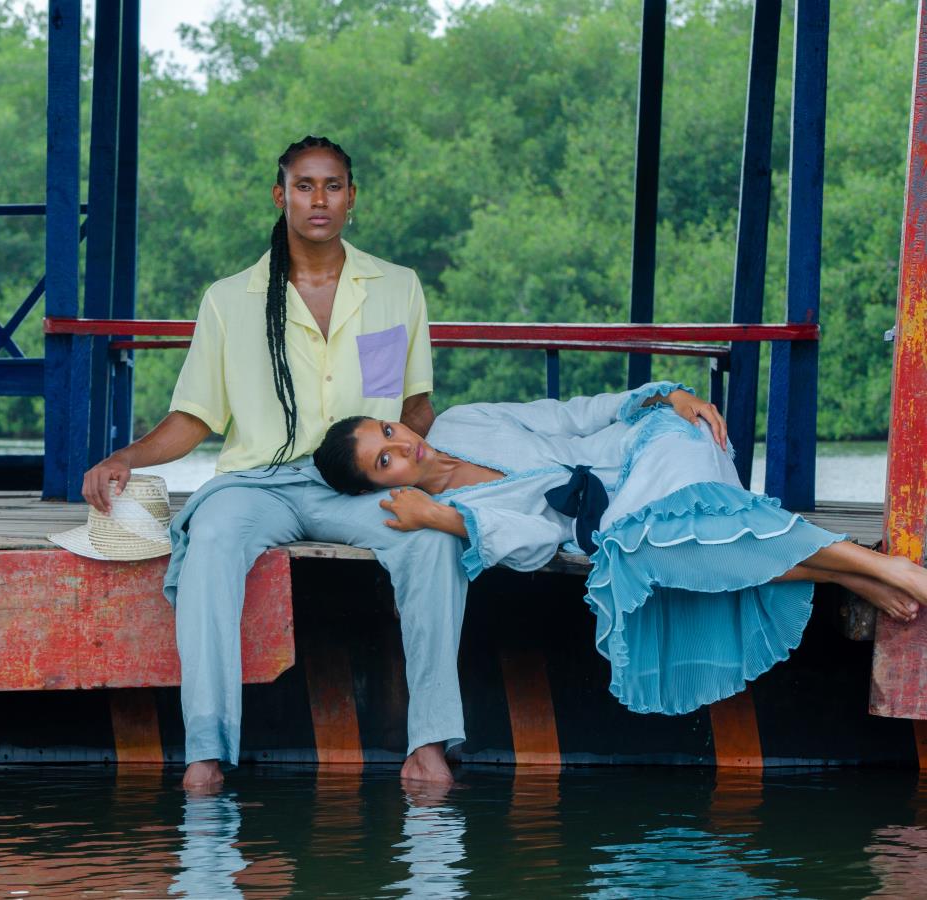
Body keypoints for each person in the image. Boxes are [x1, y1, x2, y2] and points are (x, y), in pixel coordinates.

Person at [82, 136, 466, 790]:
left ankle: (429, 744)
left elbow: (415, 406)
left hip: (359, 486)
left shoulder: (397, 288)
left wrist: (414, 468)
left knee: (432, 540)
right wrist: (125, 456)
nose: (319, 199)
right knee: (210, 540)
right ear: (279, 196)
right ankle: (206, 753)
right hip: (259, 485)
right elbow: (195, 417)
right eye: (304, 185)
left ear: (352, 197)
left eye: (333, 186)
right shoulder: (230, 299)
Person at [313, 383, 921, 715]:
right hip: (621, 518)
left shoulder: (461, 422)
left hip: (648, 448)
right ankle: (853, 570)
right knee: (651, 548)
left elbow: (573, 415)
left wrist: (666, 397)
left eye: (389, 431)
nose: (403, 446)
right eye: (385, 461)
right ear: (377, 487)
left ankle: (873, 569)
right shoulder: (456, 510)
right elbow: (539, 542)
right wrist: (446, 519)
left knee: (672, 528)